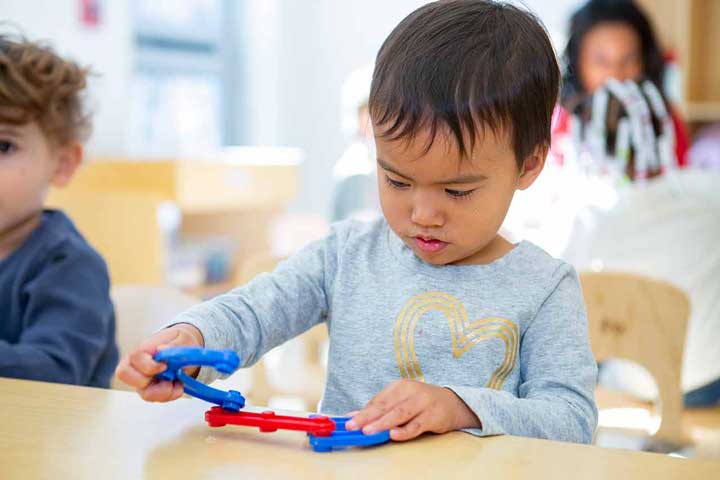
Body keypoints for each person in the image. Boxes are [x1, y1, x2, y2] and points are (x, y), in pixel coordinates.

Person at [117, 1, 598, 444]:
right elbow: (253, 313)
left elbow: (571, 420)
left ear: (530, 164)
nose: (422, 214)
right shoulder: (347, 255)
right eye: (397, 180)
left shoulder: (544, 288)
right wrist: (191, 339)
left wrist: (461, 407)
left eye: (457, 191)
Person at [0, 33, 119, 387]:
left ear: (63, 163)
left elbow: (54, 371)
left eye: (4, 146)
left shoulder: (70, 265)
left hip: (58, 440)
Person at [552, 0, 689, 171]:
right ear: (577, 63)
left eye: (628, 59)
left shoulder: (664, 123)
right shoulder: (561, 124)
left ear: (644, 62)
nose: (615, 74)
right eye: (601, 60)